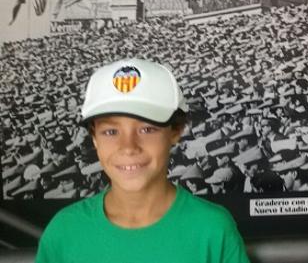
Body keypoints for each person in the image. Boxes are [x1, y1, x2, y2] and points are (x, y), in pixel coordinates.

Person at [35, 58, 250, 263]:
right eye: (110, 131)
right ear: (94, 138)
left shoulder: (212, 228)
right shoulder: (65, 231)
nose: (128, 147)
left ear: (176, 131)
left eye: (147, 129)